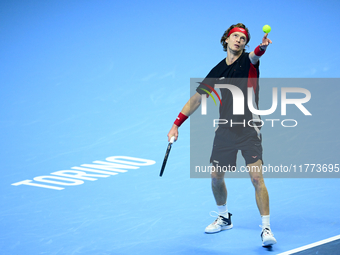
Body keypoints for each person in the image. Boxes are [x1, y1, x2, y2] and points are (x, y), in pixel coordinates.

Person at [167, 23, 277, 247]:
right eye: (235, 36)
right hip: (225, 129)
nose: (239, 40)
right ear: (226, 39)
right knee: (216, 177)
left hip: (249, 129)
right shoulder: (217, 70)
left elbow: (257, 54)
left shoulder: (249, 61)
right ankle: (224, 217)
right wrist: (176, 124)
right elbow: (198, 99)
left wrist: (262, 47)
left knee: (257, 178)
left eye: (243, 39)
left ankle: (266, 228)